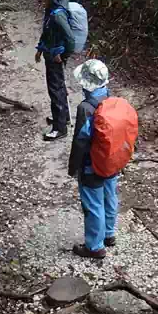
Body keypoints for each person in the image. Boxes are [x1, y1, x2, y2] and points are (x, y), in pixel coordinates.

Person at [67, 59, 118, 259]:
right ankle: (109, 234)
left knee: (93, 204)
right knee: (110, 196)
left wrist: (74, 168)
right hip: (111, 161)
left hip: (92, 166)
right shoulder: (110, 99)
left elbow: (80, 141)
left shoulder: (86, 108)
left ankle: (94, 246)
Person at [35, 0, 76, 141]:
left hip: (55, 58)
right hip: (49, 55)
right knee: (58, 87)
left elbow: (70, 40)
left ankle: (60, 129)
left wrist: (63, 55)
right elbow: (46, 32)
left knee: (55, 91)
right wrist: (39, 49)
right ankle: (63, 117)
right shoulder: (50, 11)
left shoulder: (58, 15)